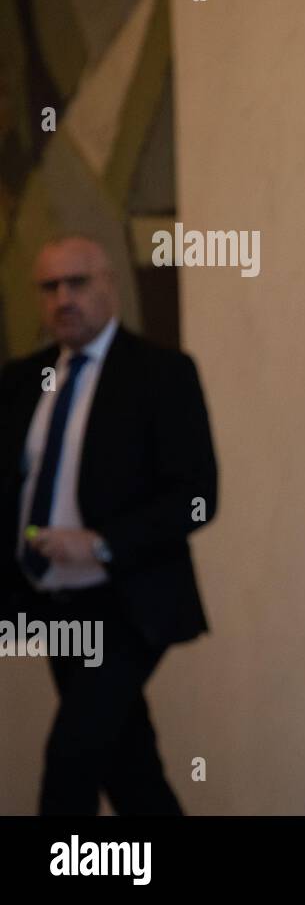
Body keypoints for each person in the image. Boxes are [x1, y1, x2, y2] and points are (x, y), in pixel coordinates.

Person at [0, 235, 217, 815]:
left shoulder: (160, 372)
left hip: (126, 604)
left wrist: (100, 542)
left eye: (78, 283)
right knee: (129, 767)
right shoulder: (21, 381)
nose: (63, 299)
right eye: (50, 287)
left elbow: (197, 496)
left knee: (70, 759)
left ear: (110, 286)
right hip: (50, 603)